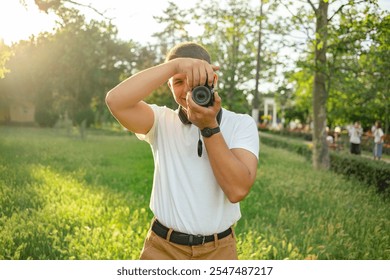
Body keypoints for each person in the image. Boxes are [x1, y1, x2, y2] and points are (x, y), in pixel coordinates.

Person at [105, 42, 259, 260]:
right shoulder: (160, 120)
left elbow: (237, 189)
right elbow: (115, 101)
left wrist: (209, 127)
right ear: (168, 86)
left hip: (219, 251)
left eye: (196, 79)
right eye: (178, 81)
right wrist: (174, 66)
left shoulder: (241, 124)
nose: (187, 88)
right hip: (162, 248)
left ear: (213, 79)